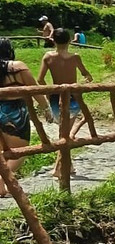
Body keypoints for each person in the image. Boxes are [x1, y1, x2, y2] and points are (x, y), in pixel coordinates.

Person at [38, 28, 93, 179]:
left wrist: (49, 93)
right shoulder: (75, 57)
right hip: (73, 96)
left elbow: (40, 80)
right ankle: (59, 168)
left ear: (53, 40)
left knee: (64, 132)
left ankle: (67, 166)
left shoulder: (48, 57)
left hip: (56, 97)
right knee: (65, 133)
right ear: (69, 40)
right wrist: (80, 83)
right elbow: (88, 76)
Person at [0, 39, 52, 195]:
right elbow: (34, 89)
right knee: (21, 151)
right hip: (15, 112)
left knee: (3, 152)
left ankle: (1, 188)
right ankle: (1, 181)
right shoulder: (17, 67)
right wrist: (46, 108)